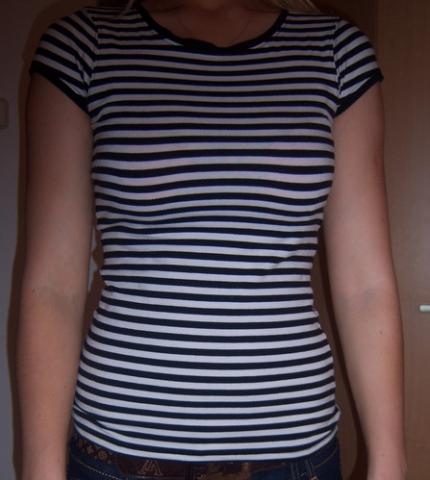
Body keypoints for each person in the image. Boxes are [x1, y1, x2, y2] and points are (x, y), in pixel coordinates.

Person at [16, 0, 407, 479]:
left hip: (292, 453)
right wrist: (40, 467)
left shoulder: (336, 53)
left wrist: (390, 460)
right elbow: (52, 287)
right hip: (118, 450)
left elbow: (366, 287)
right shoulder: (84, 46)